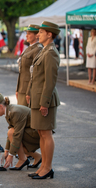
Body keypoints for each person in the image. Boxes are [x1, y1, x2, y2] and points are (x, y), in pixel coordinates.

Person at [26, 21, 61, 179]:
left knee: (46, 134)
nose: (38, 34)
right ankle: (43, 168)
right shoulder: (44, 50)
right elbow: (35, 77)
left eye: (41, 32)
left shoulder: (51, 52)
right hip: (37, 98)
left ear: (49, 34)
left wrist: (44, 103)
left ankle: (48, 167)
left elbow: (50, 81)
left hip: (44, 100)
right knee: (41, 133)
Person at [0, 93, 41, 170]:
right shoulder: (9, 110)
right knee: (14, 139)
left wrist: (10, 155)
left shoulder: (14, 112)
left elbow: (16, 134)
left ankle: (23, 159)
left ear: (1, 107)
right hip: (31, 132)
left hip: (39, 134)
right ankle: (38, 157)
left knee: (14, 138)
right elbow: (11, 132)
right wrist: (7, 150)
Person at [16, 24, 43, 107]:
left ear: (36, 36)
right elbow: (22, 71)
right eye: (26, 33)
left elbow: (34, 72)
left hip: (28, 89)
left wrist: (29, 92)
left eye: (29, 33)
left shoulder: (38, 49)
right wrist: (18, 89)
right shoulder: (29, 48)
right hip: (22, 88)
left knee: (26, 116)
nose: (26, 36)